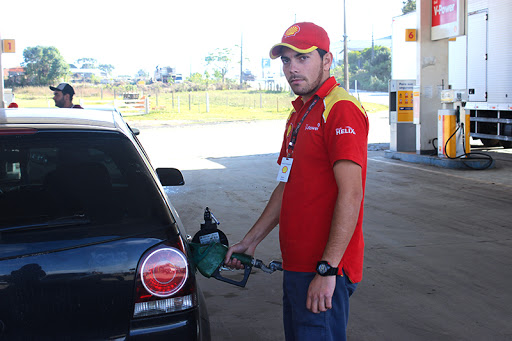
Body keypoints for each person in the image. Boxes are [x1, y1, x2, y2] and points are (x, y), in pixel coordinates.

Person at [224, 22, 369, 341]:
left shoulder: (340, 109)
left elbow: (352, 193)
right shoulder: (301, 113)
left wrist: (328, 269)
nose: (292, 68)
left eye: (302, 58)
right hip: (297, 265)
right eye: (286, 60)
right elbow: (286, 186)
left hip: (324, 268)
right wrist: (251, 240)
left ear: (327, 60)